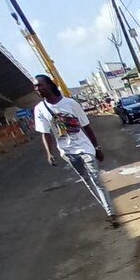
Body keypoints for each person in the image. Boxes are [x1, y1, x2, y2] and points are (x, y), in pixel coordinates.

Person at [32, 74, 117, 226]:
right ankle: (106, 207)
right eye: (35, 87)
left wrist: (97, 147)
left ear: (50, 85)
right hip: (67, 151)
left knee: (96, 178)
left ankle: (110, 213)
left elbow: (86, 126)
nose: (38, 89)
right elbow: (45, 134)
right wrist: (49, 153)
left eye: (40, 85)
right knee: (86, 180)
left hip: (85, 148)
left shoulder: (70, 103)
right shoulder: (39, 110)